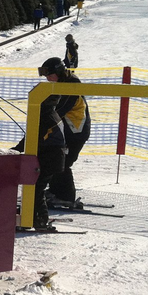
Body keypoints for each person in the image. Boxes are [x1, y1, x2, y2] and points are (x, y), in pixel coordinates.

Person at [15, 61, 66, 230]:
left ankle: (40, 219)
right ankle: (33, 215)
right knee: (35, 185)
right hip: (50, 155)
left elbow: (34, 135)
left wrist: (18, 148)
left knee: (37, 186)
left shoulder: (47, 118)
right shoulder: (48, 114)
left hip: (51, 156)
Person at [41, 57, 90, 208]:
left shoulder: (71, 84)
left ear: (59, 72)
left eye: (50, 75)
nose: (48, 79)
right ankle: (56, 190)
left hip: (76, 130)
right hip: (68, 128)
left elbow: (60, 110)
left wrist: (45, 121)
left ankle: (66, 196)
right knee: (56, 158)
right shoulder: (62, 82)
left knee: (64, 162)